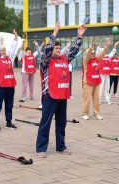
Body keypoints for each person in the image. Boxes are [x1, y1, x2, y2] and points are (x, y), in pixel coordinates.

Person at [36, 22, 86, 158]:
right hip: (50, 96)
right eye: (56, 48)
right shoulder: (45, 61)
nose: (58, 50)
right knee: (45, 122)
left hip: (62, 97)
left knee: (61, 123)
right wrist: (54, 33)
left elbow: (74, 51)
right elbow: (48, 49)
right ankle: (41, 148)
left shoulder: (64, 59)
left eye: (59, 48)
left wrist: (79, 37)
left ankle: (61, 146)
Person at [0, 28, 19, 130]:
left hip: (10, 85)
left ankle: (8, 122)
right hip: (1, 86)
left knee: (9, 105)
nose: (4, 51)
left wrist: (15, 38)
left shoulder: (9, 59)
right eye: (2, 50)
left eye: (5, 50)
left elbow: (13, 48)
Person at [81, 39, 110, 120]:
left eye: (93, 53)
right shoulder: (86, 61)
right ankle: (84, 114)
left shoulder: (97, 59)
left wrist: (106, 46)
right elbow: (88, 54)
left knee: (97, 99)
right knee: (87, 99)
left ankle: (96, 114)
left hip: (96, 82)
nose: (93, 54)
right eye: (91, 53)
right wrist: (91, 47)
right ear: (87, 54)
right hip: (88, 82)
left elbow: (102, 54)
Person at [97, 40, 119, 104]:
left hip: (107, 75)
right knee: (100, 88)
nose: (104, 51)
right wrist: (103, 44)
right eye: (103, 50)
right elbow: (98, 50)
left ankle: (107, 100)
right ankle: (98, 100)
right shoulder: (99, 57)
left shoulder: (107, 56)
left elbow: (113, 52)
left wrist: (115, 46)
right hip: (101, 74)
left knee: (107, 87)